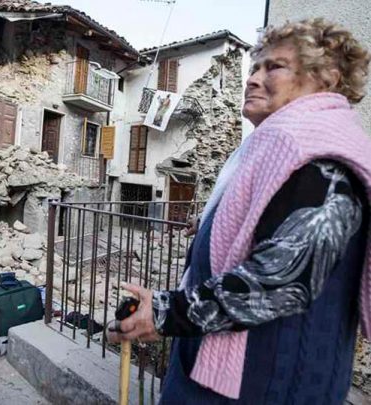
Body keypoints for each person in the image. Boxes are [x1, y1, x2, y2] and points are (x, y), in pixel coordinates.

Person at [107, 18, 371, 404]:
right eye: (254, 68)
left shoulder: (321, 162)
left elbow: (280, 282)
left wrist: (164, 313)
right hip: (228, 371)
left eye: (274, 67)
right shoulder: (280, 147)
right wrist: (209, 229)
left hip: (265, 382)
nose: (253, 79)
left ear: (325, 79)